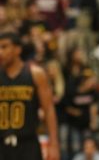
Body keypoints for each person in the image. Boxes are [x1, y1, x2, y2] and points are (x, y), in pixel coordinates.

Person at [0, 32, 60, 160]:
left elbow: (48, 110)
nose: (0, 52)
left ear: (17, 49)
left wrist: (53, 144)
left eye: (4, 47)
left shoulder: (35, 74)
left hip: (27, 143)